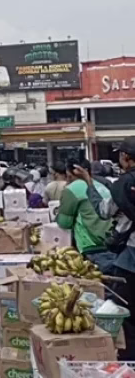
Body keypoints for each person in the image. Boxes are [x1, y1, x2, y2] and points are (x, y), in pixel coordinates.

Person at [57, 160, 114, 267]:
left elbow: (65, 223)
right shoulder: (101, 185)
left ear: (69, 174)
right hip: (110, 242)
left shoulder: (72, 189)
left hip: (91, 245)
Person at [110, 137, 135, 359]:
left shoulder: (124, 183)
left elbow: (105, 210)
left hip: (131, 255)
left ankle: (129, 360)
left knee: (124, 309)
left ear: (126, 158)